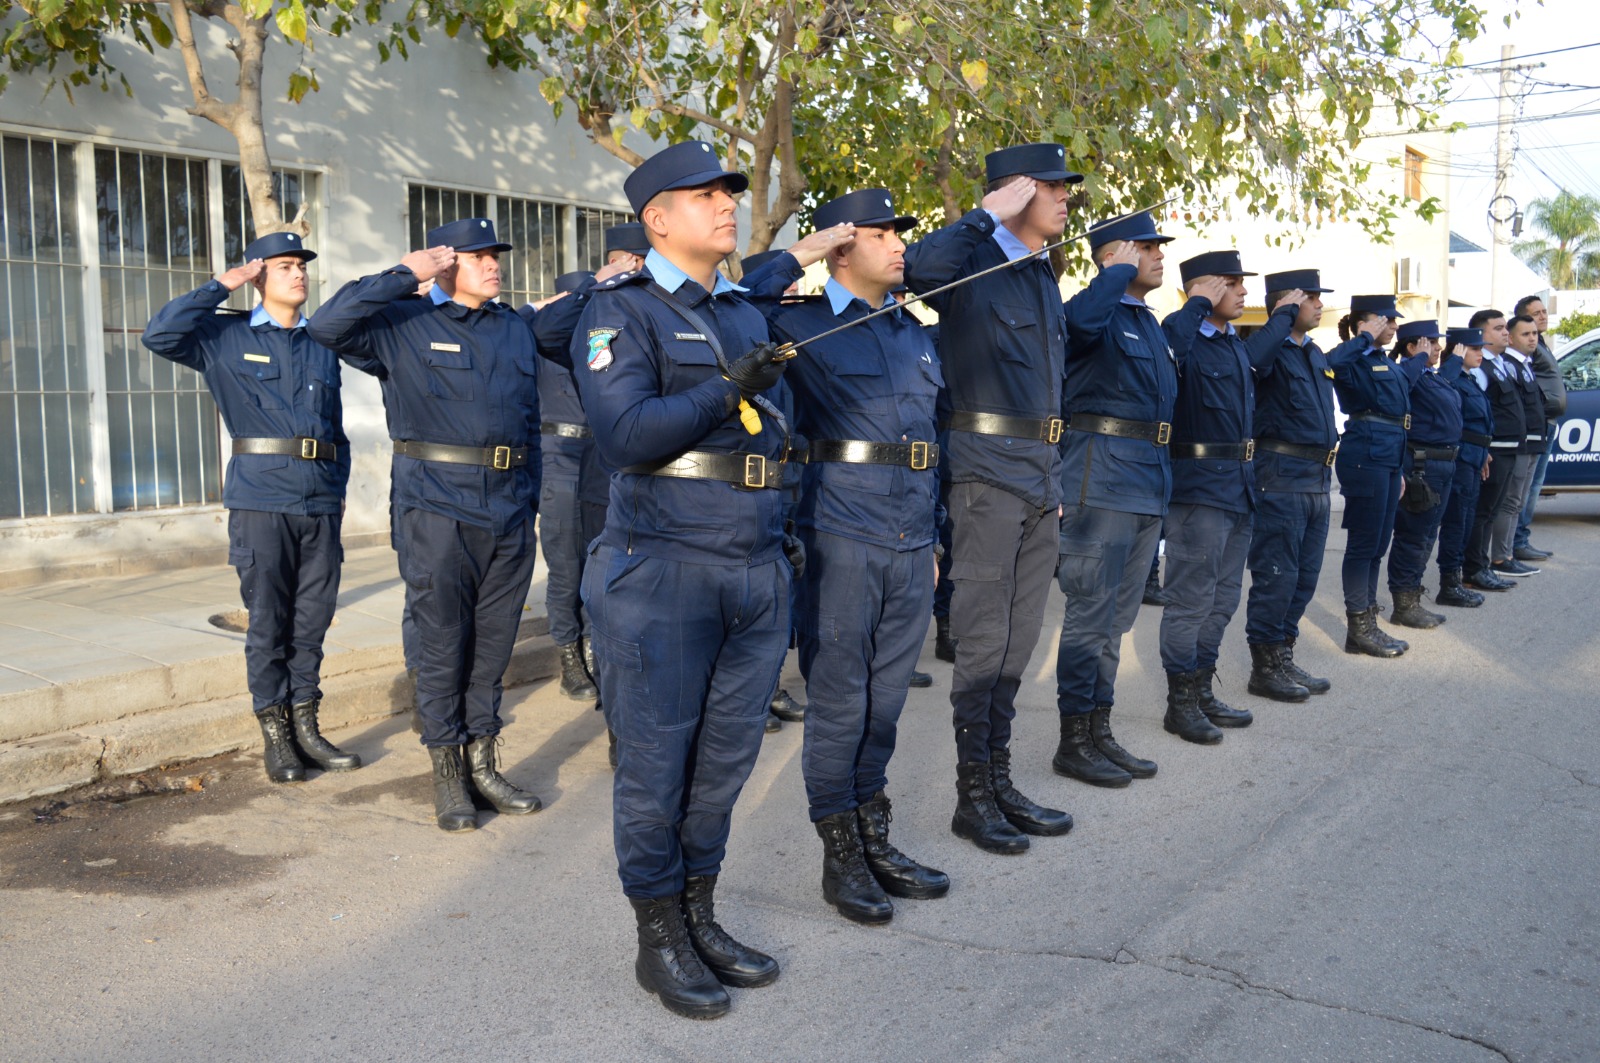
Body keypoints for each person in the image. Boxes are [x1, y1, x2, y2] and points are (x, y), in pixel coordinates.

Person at [573, 141, 796, 1020]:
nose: (726, 205)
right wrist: (723, 389)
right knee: (658, 761)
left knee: (724, 761)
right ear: (656, 218)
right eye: (704, 195)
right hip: (662, 567)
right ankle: (657, 933)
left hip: (753, 564)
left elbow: (768, 432)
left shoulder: (741, 311)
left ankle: (700, 911)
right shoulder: (616, 312)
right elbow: (627, 435)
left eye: (730, 193)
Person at [763, 188, 964, 924]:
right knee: (841, 703)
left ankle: (875, 834)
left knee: (884, 702)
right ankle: (839, 853)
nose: (900, 245)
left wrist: (936, 536)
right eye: (881, 234)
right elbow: (729, 306)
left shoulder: (914, 331)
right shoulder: (800, 324)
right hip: (841, 535)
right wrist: (801, 253)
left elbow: (928, 445)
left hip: (911, 539)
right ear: (841, 247)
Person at [308, 217, 545, 832]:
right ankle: (447, 773)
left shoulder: (514, 330)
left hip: (510, 506)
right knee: (443, 643)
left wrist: (533, 501)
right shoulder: (403, 324)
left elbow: (527, 423)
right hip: (437, 506)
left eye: (497, 255)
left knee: (494, 646)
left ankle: (483, 762)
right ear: (445, 264)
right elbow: (326, 325)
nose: (494, 265)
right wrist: (401, 275)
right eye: (479, 257)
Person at [902, 142, 1077, 855]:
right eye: (1055, 188)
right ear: (1018, 192)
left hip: (1039, 473)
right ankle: (972, 794)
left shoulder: (1039, 272)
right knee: (981, 640)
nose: (1068, 199)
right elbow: (916, 270)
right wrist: (984, 216)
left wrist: (1054, 477)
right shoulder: (975, 258)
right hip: (986, 474)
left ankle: (998, 778)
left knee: (1019, 639)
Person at [142, 232, 364, 785]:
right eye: (285, 266)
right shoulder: (224, 335)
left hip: (318, 501)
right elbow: (159, 334)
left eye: (302, 267)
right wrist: (224, 284)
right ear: (259, 275)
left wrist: (335, 492)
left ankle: (308, 726)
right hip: (261, 501)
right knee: (268, 621)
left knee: (312, 620)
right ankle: (276, 735)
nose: (299, 275)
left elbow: (333, 429)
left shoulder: (321, 342)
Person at [1052, 210, 1178, 780]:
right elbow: (1075, 327)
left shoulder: (1147, 321)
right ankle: (1073, 740)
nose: (1158, 254)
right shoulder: (1095, 309)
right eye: (1146, 246)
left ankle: (1099, 729)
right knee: (1089, 616)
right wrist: (1111, 273)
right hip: (1099, 481)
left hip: (1147, 482)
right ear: (1114, 253)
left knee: (1116, 622)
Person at [1157, 250, 1266, 744]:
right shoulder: (1180, 334)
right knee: (1189, 602)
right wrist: (1196, 304)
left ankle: (1200, 688)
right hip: (1197, 486)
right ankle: (1178, 704)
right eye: (1232, 282)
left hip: (1238, 486)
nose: (1243, 291)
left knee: (1223, 599)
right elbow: (1173, 348)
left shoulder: (1234, 345)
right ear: (1204, 288)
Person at [1242, 272, 1337, 701]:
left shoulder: (1314, 353)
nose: (1319, 306)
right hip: (1279, 478)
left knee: (1304, 579)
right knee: (1276, 577)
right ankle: (1264, 667)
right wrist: (1278, 319)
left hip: (1316, 479)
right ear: (1289, 303)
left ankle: (1282, 652)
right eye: (1311, 298)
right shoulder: (1270, 349)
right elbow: (1250, 363)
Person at [535, 271, 606, 703]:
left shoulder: (599, 349)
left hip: (599, 463)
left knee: (599, 565)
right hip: (556, 461)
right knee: (565, 569)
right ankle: (569, 660)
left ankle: (596, 651)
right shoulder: (539, 344)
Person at [1329, 294, 1411, 658]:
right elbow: (1329, 363)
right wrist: (1362, 337)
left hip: (1389, 456)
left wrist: (1401, 467)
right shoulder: (1353, 355)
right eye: (1387, 320)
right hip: (1365, 453)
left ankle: (1369, 624)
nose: (1394, 326)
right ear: (1367, 321)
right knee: (1364, 544)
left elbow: (1397, 414)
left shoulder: (1383, 360)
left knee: (1379, 543)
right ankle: (1358, 627)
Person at [1384, 319, 1462, 630]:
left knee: (1428, 536)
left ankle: (1412, 597)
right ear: (1412, 346)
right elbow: (1404, 382)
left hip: (1443, 463)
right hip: (1422, 465)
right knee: (1413, 537)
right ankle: (1403, 604)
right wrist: (1416, 357)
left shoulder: (1432, 376)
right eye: (1430, 342)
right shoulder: (1408, 372)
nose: (1438, 348)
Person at [1463, 309, 1536, 590]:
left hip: (1509, 449)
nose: (1505, 332)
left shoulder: (1500, 363)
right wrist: (1483, 449)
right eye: (1498, 328)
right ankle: (1474, 568)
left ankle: (1481, 566)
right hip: (1494, 450)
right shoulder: (1481, 368)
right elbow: (1477, 413)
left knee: (1492, 512)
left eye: (1506, 328)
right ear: (1481, 335)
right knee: (1483, 511)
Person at [1434, 327, 1493, 608]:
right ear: (1458, 350)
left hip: (1474, 456)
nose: (1480, 353)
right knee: (1456, 522)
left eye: (1481, 348)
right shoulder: (1451, 377)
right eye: (1474, 349)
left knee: (1466, 520)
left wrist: (1485, 453)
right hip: (1460, 458)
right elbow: (1442, 400)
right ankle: (1449, 584)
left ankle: (1456, 580)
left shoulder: (1469, 379)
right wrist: (1453, 363)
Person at [1510, 294, 1564, 561]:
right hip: (1537, 424)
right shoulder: (1527, 348)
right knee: (1528, 486)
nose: (1543, 316)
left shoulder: (1541, 342)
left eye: (1544, 312)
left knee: (1534, 484)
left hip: (1547, 423)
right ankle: (1517, 541)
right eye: (1536, 313)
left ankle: (1520, 539)